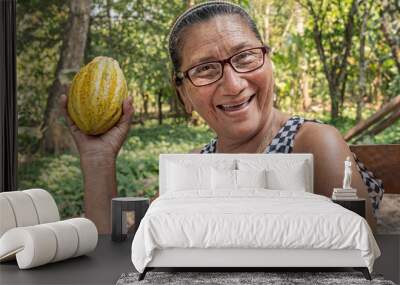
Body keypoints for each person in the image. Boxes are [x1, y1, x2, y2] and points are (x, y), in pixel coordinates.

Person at [60, 1, 383, 234]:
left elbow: (359, 265)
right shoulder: (191, 167)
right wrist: (99, 158)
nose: (233, 84)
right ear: (183, 94)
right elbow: (118, 251)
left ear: (269, 62)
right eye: (205, 69)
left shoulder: (314, 143)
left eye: (245, 57)